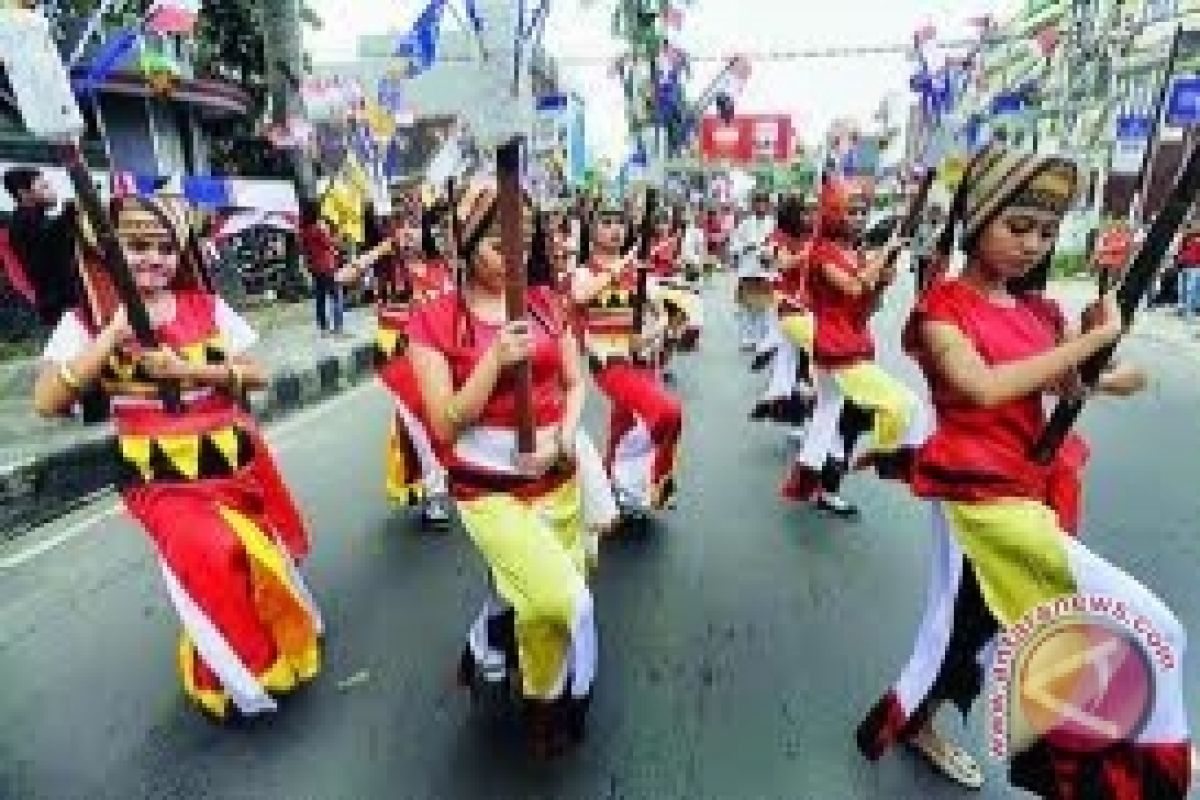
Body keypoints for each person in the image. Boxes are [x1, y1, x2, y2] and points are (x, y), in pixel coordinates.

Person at [856, 143, 1192, 797]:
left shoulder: (1040, 312)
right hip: (979, 500)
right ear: (978, 219)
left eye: (1046, 231)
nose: (1033, 243)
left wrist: (1113, 361)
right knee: (1139, 627)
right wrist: (1086, 344)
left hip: (1031, 485)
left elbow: (1075, 385)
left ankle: (1086, 750)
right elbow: (981, 389)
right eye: (1018, 226)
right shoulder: (941, 310)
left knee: (981, 627)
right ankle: (1141, 757)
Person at [32, 194, 322, 721]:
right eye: (138, 246)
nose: (153, 259)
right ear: (109, 247)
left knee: (253, 561)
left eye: (166, 248)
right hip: (162, 483)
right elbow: (48, 401)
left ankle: (261, 653)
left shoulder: (206, 307)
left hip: (234, 467)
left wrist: (190, 373)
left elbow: (256, 373)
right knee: (210, 558)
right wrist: (109, 339)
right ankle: (239, 681)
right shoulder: (86, 321)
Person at [407, 179, 596, 757]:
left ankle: (541, 701)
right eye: (494, 242)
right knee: (564, 602)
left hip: (556, 479)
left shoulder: (545, 301)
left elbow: (575, 383)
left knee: (538, 613)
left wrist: (563, 439)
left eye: (521, 240)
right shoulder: (434, 321)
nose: (511, 255)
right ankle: (560, 679)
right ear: (463, 241)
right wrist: (492, 360)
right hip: (488, 491)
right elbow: (444, 424)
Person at [779, 177, 927, 518]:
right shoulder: (821, 252)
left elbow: (866, 304)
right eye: (852, 211)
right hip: (835, 346)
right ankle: (889, 457)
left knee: (835, 419)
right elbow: (848, 287)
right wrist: (885, 254)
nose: (860, 217)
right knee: (904, 406)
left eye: (864, 211)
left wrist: (882, 281)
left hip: (852, 341)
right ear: (834, 214)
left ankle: (821, 485)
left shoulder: (855, 253)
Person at [336, 194, 455, 529]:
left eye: (414, 224)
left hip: (439, 355)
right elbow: (342, 278)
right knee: (420, 422)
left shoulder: (442, 267)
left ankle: (445, 477)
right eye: (398, 225)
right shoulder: (384, 271)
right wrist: (382, 249)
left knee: (444, 420)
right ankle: (435, 495)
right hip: (398, 358)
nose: (408, 232)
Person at [571, 196, 683, 519]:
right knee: (666, 413)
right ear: (591, 230)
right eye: (606, 223)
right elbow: (580, 296)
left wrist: (664, 321)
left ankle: (616, 486)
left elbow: (644, 328)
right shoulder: (583, 272)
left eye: (619, 223)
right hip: (609, 365)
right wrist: (618, 269)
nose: (615, 229)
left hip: (639, 361)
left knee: (625, 426)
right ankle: (626, 481)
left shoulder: (638, 274)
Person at [750, 194, 817, 425]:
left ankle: (781, 402)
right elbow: (782, 263)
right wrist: (808, 252)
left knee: (797, 363)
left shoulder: (812, 236)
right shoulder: (779, 237)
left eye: (811, 212)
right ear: (791, 215)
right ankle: (789, 409)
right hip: (789, 303)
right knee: (799, 361)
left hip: (811, 305)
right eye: (804, 213)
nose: (809, 217)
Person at [3, 167, 81, 327]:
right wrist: (70, 213)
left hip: (62, 305)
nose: (52, 191)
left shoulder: (34, 220)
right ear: (24, 193)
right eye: (44, 187)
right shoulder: (24, 224)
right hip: (60, 308)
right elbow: (53, 246)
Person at [730, 191, 777, 351]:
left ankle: (761, 339)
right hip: (747, 269)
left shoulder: (773, 225)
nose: (760, 206)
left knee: (764, 308)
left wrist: (768, 251)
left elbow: (777, 245)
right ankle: (746, 339)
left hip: (765, 271)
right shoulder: (744, 224)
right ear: (753, 205)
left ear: (768, 205)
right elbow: (734, 244)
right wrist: (744, 247)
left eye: (764, 203)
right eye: (757, 203)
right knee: (746, 307)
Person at [299, 200, 345, 336]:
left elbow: (304, 249)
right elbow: (330, 243)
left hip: (314, 267)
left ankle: (323, 328)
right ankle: (338, 328)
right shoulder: (319, 228)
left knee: (320, 298)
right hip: (328, 266)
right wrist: (339, 233)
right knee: (336, 296)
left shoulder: (304, 231)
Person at [1174, 216, 1200, 321]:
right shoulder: (1185, 239)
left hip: (1196, 266)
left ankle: (1190, 309)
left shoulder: (1196, 240)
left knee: (1191, 289)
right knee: (1182, 288)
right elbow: (1180, 251)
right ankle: (1182, 307)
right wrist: (1178, 260)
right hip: (1184, 265)